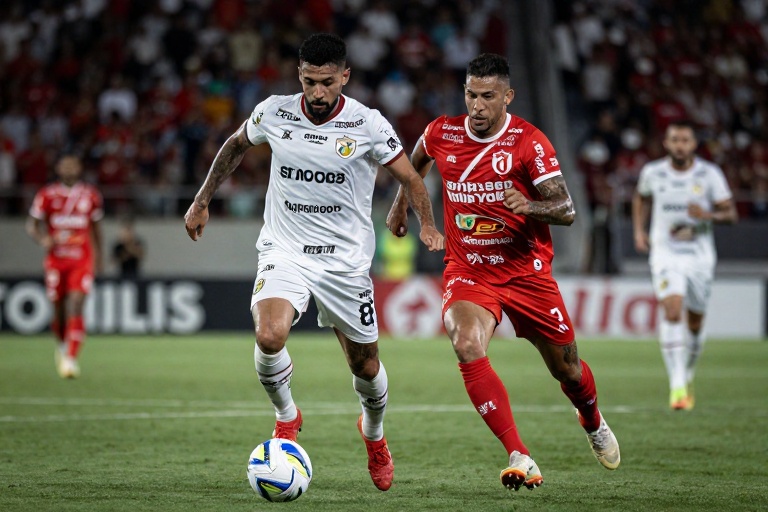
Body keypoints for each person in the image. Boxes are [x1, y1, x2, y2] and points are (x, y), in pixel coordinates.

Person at [183, 33, 443, 492]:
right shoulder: (274, 111)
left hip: (344, 264)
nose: (318, 92)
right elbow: (234, 145)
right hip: (285, 250)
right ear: (299, 76)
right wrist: (201, 200)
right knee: (269, 335)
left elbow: (411, 176)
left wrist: (427, 224)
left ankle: (374, 435)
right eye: (309, 82)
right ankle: (287, 416)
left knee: (365, 367)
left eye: (327, 82)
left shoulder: (368, 123)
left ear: (345, 76)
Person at [386, 53, 620, 491]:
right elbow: (414, 164)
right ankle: (519, 453)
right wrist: (403, 209)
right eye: (471, 95)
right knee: (465, 342)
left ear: (507, 96)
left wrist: (528, 205)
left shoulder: (529, 142)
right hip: (469, 269)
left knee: (568, 372)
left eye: (488, 97)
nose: (477, 106)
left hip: (526, 273)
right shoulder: (441, 132)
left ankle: (591, 419)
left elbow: (567, 208)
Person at [632, 120, 737, 410]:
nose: (680, 145)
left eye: (685, 140)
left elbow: (731, 214)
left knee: (695, 321)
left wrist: (708, 215)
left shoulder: (709, 174)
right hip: (665, 254)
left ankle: (687, 372)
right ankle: (677, 384)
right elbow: (641, 197)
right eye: (675, 140)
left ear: (694, 144)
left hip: (699, 257)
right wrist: (639, 231)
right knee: (672, 309)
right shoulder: (653, 172)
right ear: (666, 143)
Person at [26, 152, 104, 379]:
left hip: (81, 260)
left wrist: (99, 257)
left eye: (73, 165)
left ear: (79, 168)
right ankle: (61, 347)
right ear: (58, 168)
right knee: (58, 311)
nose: (69, 169)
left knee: (76, 304)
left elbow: (96, 229)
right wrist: (42, 239)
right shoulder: (47, 195)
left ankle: (70, 359)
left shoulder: (90, 195)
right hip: (56, 260)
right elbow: (32, 225)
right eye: (65, 165)